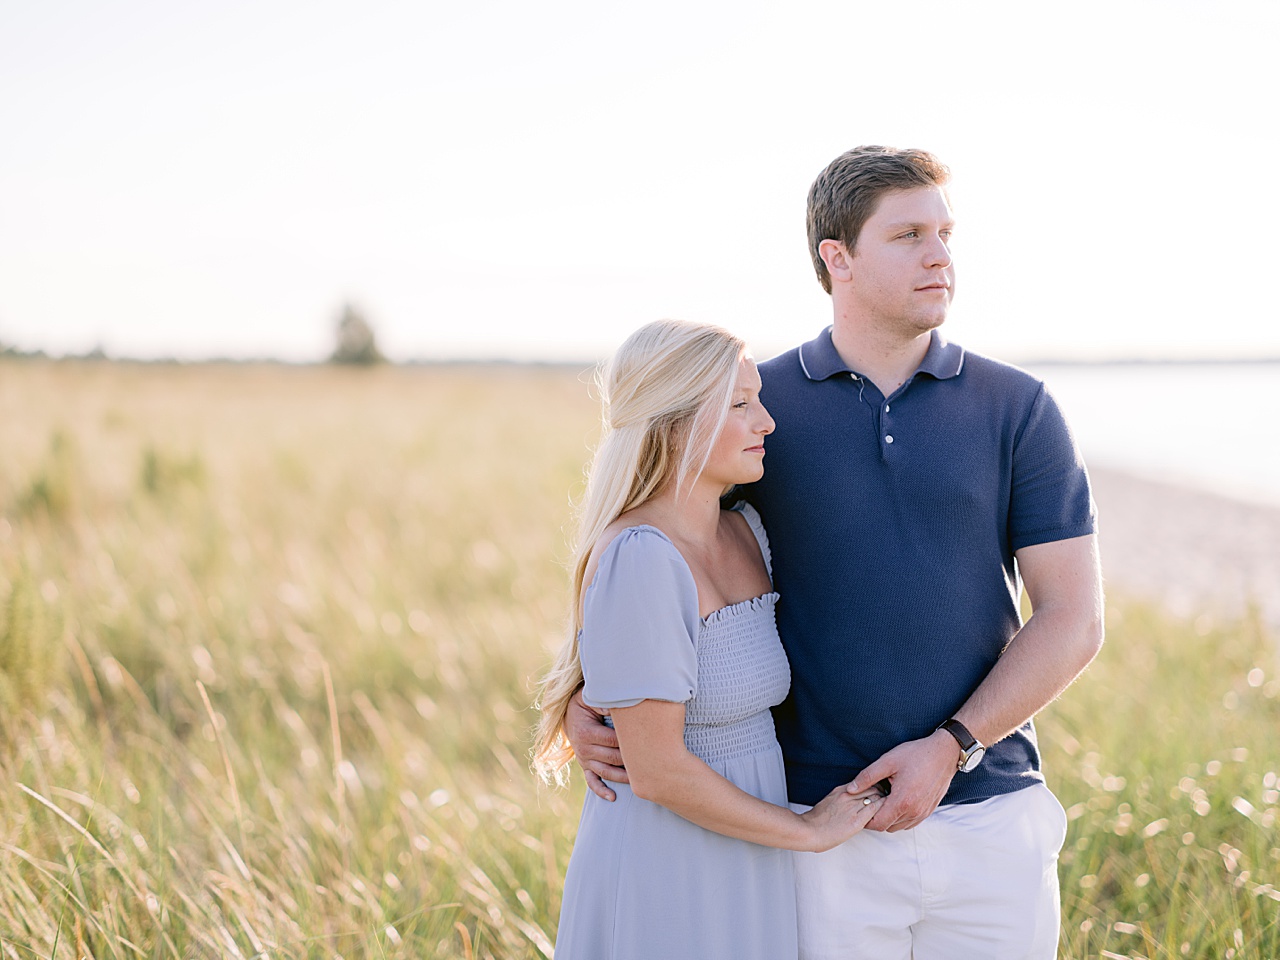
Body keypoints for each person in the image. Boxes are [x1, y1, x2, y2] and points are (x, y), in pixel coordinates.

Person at [565, 148, 1105, 959]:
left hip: (992, 815)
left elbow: (1072, 618)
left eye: (947, 234)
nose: (941, 257)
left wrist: (952, 746)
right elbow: (648, 539)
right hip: (823, 822)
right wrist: (587, 692)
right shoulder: (756, 405)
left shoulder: (1018, 408)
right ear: (837, 256)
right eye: (910, 234)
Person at [534, 318, 883, 960]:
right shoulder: (641, 556)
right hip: (666, 865)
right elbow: (659, 770)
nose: (767, 422)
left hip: (746, 855)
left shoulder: (747, 533)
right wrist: (805, 831)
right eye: (741, 404)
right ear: (674, 422)